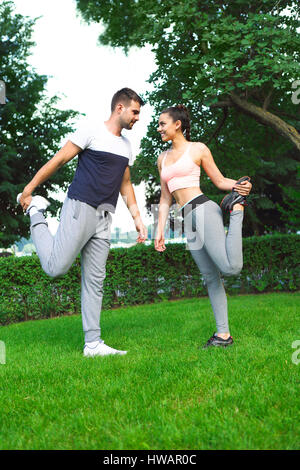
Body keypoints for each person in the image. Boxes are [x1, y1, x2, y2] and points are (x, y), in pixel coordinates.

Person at [17, 88, 147, 357]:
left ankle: (93, 344)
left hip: (104, 217)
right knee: (55, 268)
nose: (137, 118)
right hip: (80, 208)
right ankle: (37, 213)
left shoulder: (126, 146)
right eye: (135, 112)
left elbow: (125, 184)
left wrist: (137, 219)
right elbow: (59, 159)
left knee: (95, 280)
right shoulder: (90, 131)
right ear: (119, 108)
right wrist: (29, 189)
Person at [155, 104, 252, 348]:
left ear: (177, 124)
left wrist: (239, 187)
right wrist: (159, 231)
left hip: (203, 208)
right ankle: (223, 335)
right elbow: (165, 198)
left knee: (230, 268)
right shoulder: (162, 159)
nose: (159, 129)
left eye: (162, 124)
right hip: (187, 218)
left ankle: (237, 209)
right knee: (210, 277)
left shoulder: (197, 148)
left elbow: (218, 180)